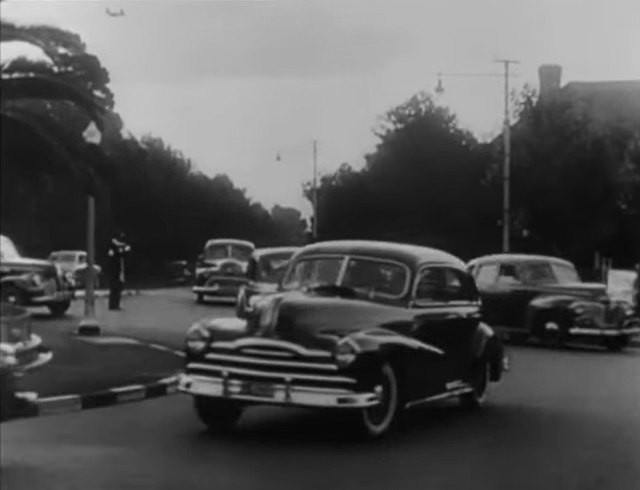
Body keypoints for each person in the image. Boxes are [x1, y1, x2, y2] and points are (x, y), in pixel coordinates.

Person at [108, 231, 131, 310]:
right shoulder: (113, 247)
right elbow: (119, 251)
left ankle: (115, 304)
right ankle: (114, 305)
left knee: (117, 288)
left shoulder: (116, 247)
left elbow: (122, 252)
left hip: (117, 271)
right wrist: (124, 249)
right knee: (115, 288)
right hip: (115, 272)